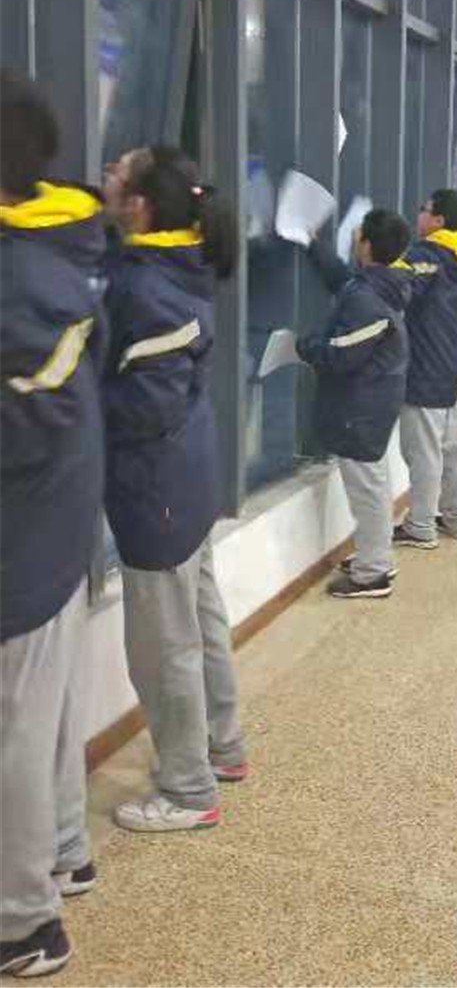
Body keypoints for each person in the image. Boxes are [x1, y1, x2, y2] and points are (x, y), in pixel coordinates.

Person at [102, 147, 247, 833]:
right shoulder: (179, 261)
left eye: (116, 171)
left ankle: (189, 790)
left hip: (155, 489)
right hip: (188, 475)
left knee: (164, 651)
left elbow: (144, 404)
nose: (104, 174)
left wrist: (74, 404)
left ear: (138, 205)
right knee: (202, 619)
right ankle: (224, 746)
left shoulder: (145, 288)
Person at [0, 73, 106, 978]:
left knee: (17, 738)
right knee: (46, 716)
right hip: (55, 524)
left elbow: (22, 420)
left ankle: (25, 924)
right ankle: (67, 851)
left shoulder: (20, 278)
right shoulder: (60, 248)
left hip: (25, 540)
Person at [297, 210, 411, 599]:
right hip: (372, 399)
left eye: (358, 234)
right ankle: (376, 556)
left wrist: (302, 346)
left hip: (363, 406)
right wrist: (315, 246)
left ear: (367, 245)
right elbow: (343, 281)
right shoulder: (380, 284)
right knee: (374, 484)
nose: (353, 238)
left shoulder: (368, 299)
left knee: (368, 490)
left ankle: (373, 573)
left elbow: (341, 353)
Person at [393, 189, 457, 549]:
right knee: (449, 448)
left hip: (424, 367)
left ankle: (420, 525)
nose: (418, 214)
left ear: (439, 221)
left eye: (424, 209)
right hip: (452, 366)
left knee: (423, 453)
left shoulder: (428, 255)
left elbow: (395, 286)